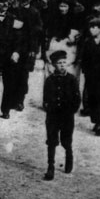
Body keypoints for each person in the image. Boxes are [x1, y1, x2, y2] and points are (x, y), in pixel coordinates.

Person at [42, 50, 81, 180]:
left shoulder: (71, 79)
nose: (62, 65)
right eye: (59, 63)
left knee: (66, 140)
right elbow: (45, 98)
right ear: (54, 65)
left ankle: (69, 155)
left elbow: (77, 98)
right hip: (53, 116)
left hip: (66, 116)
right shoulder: (50, 80)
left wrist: (71, 110)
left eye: (64, 62)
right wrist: (48, 108)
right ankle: (50, 167)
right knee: (51, 141)